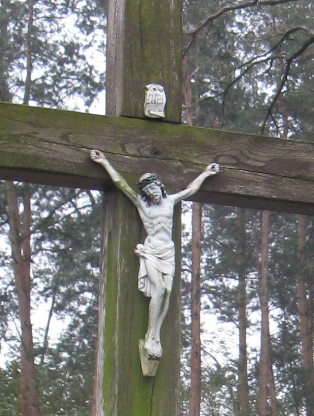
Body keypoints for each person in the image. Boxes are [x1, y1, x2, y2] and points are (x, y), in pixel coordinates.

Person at [89, 149, 219, 362]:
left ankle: (156, 333)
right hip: (151, 251)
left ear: (160, 185)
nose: (151, 193)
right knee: (158, 288)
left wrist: (206, 173)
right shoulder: (143, 205)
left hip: (168, 252)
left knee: (167, 293)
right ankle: (151, 334)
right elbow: (121, 184)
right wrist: (104, 163)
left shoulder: (171, 201)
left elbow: (191, 189)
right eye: (147, 191)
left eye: (153, 187)